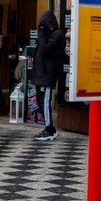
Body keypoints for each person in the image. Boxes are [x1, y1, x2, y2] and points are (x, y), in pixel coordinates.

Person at [31, 9, 63, 142]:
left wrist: (41, 33)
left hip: (48, 74)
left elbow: (45, 49)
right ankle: (48, 127)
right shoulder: (47, 34)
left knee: (45, 101)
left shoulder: (57, 34)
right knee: (39, 99)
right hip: (41, 73)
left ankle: (49, 129)